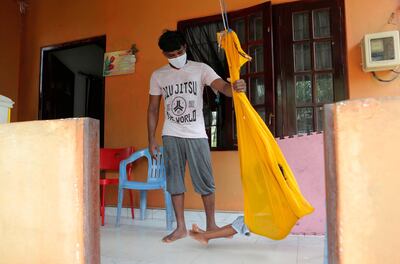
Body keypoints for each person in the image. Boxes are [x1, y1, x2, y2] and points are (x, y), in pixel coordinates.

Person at [147, 30, 247, 243]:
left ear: (185, 47)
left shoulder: (200, 69)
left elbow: (222, 87)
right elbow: (153, 109)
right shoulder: (158, 75)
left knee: (205, 180)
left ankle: (211, 225)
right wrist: (151, 139)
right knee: (174, 181)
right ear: (164, 54)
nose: (176, 57)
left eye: (179, 52)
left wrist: (235, 88)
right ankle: (180, 227)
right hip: (170, 134)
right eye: (170, 54)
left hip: (196, 134)